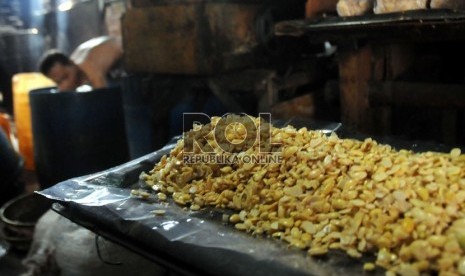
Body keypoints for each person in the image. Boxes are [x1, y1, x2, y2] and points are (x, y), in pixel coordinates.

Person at [38, 36, 123, 91]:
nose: (64, 86)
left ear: (71, 63)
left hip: (130, 49)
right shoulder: (76, 59)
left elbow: (102, 100)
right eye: (58, 83)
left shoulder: (88, 65)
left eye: (65, 77)